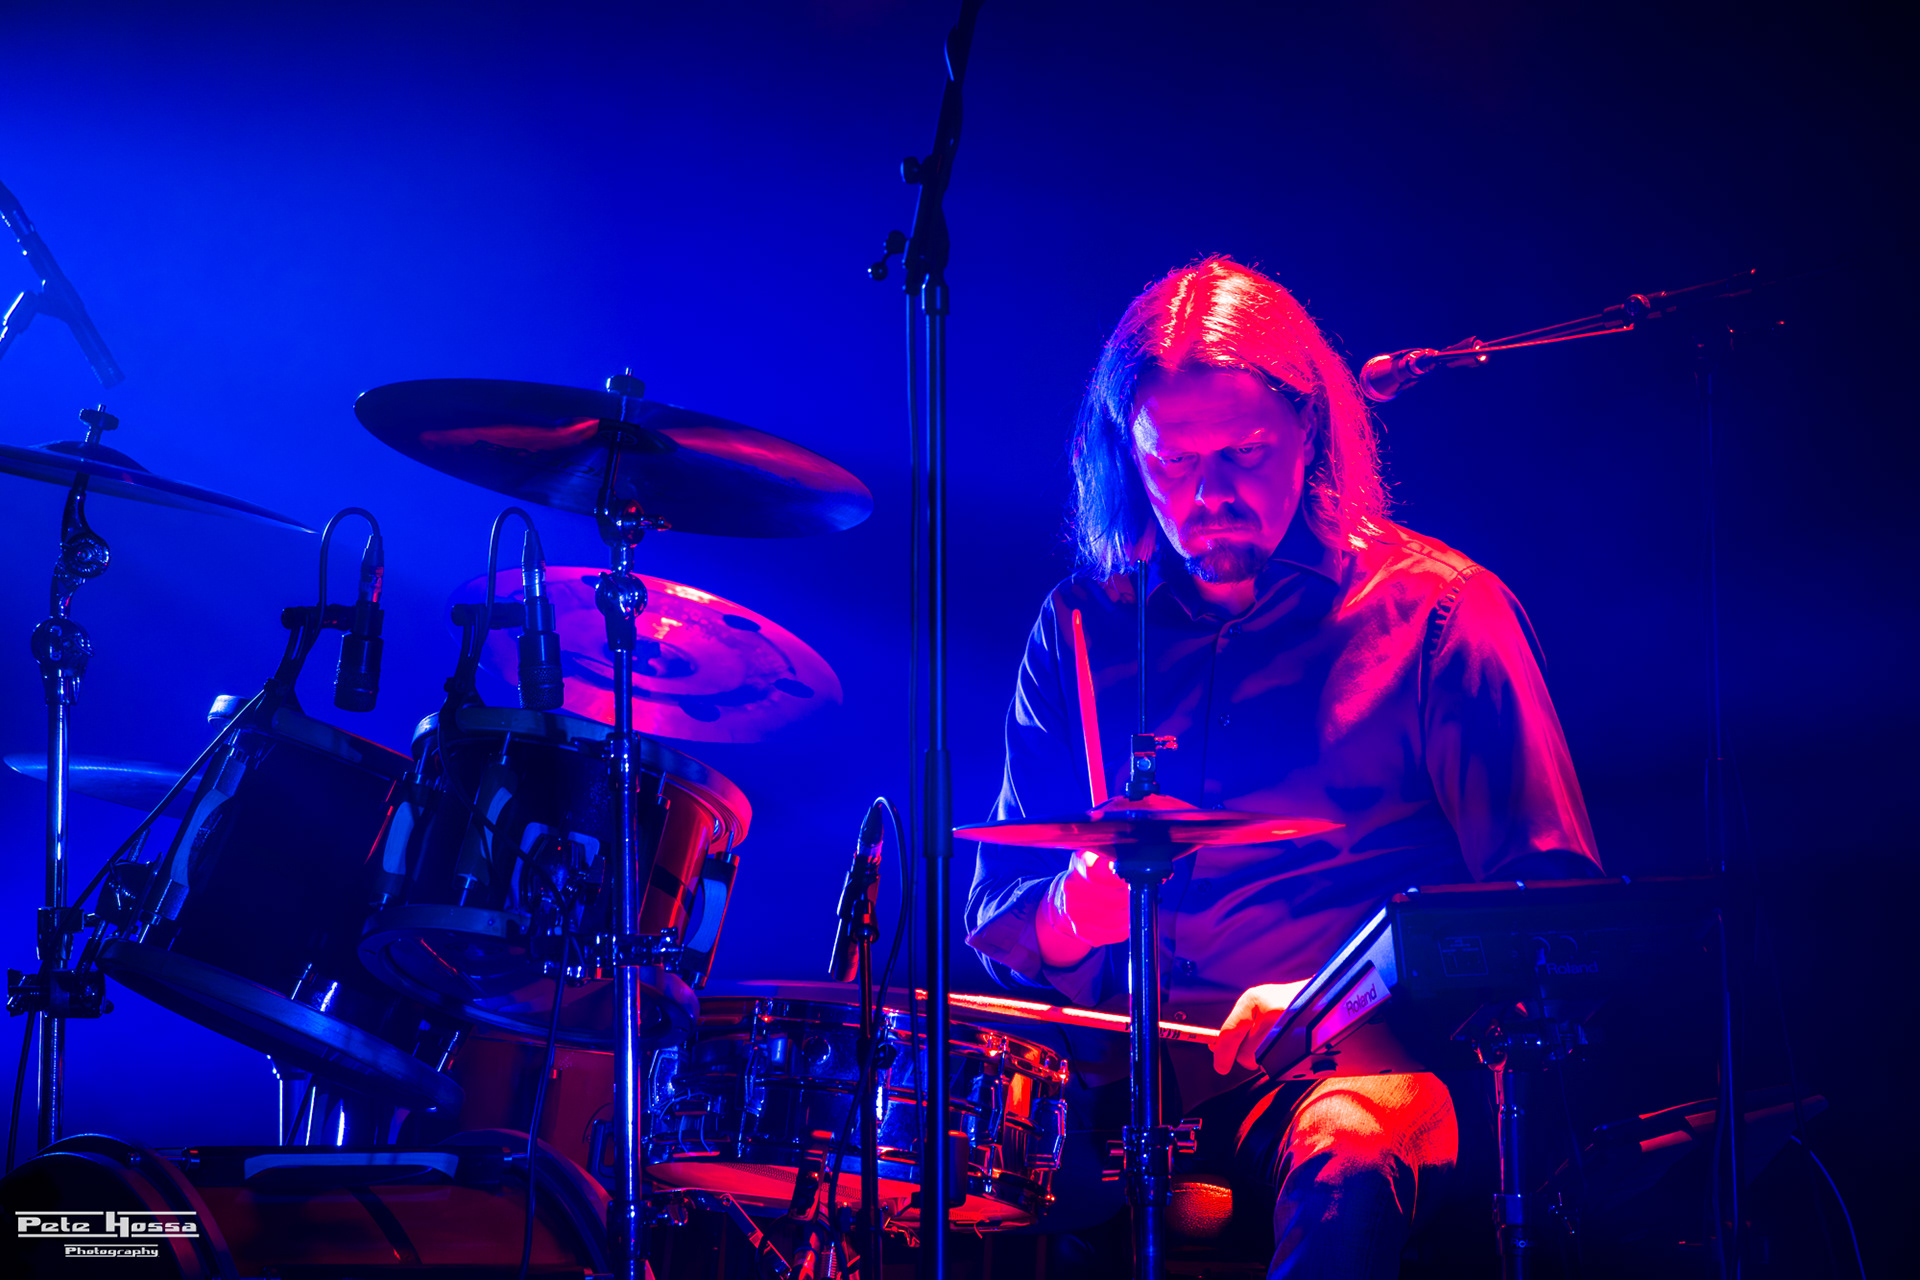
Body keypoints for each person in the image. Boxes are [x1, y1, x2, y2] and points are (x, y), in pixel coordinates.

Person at [964, 256, 1602, 1277]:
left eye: (1245, 454)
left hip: (1370, 1071)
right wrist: (1070, 914)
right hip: (1124, 1089)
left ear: (1311, 433)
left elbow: (1553, 921)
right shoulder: (1081, 626)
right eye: (1173, 461)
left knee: (1348, 1150)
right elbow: (999, 915)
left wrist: (1329, 997)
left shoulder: (1440, 614)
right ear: (1127, 452)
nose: (1209, 494)